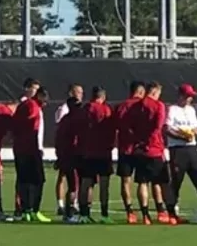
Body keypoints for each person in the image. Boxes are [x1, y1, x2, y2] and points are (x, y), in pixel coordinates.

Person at [130, 81, 177, 225]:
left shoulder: (136, 106)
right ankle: (169, 214)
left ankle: (145, 215)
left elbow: (132, 125)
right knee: (163, 182)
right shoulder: (159, 106)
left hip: (140, 149)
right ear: (155, 91)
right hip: (155, 149)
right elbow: (158, 127)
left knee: (142, 182)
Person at [166, 83, 197, 221]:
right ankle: (172, 205)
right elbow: (167, 129)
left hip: (191, 147)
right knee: (176, 179)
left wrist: (192, 133)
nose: (190, 99)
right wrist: (182, 135)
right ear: (181, 96)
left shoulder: (191, 110)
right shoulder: (172, 110)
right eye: (188, 96)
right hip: (177, 148)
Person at [74, 86, 116, 223]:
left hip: (87, 152)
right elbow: (112, 130)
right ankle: (104, 215)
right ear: (103, 97)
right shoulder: (106, 110)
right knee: (104, 184)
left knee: (85, 183)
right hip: (103, 153)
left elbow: (78, 130)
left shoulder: (84, 110)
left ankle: (83, 214)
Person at [11, 84, 50, 223]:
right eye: (44, 100)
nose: (45, 104)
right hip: (31, 150)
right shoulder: (33, 107)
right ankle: (33, 210)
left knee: (24, 180)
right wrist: (36, 148)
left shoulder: (24, 105)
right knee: (38, 180)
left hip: (20, 149)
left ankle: (25, 211)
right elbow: (32, 127)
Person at [114, 82, 147, 223]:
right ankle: (145, 214)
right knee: (143, 182)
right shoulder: (144, 105)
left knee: (126, 180)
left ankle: (130, 211)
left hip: (124, 149)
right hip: (141, 148)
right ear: (140, 92)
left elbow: (115, 126)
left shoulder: (121, 106)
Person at [53, 86, 84, 219]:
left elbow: (58, 139)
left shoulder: (64, 121)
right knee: (74, 186)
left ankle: (67, 211)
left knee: (71, 184)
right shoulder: (76, 120)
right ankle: (70, 212)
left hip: (65, 155)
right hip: (74, 156)